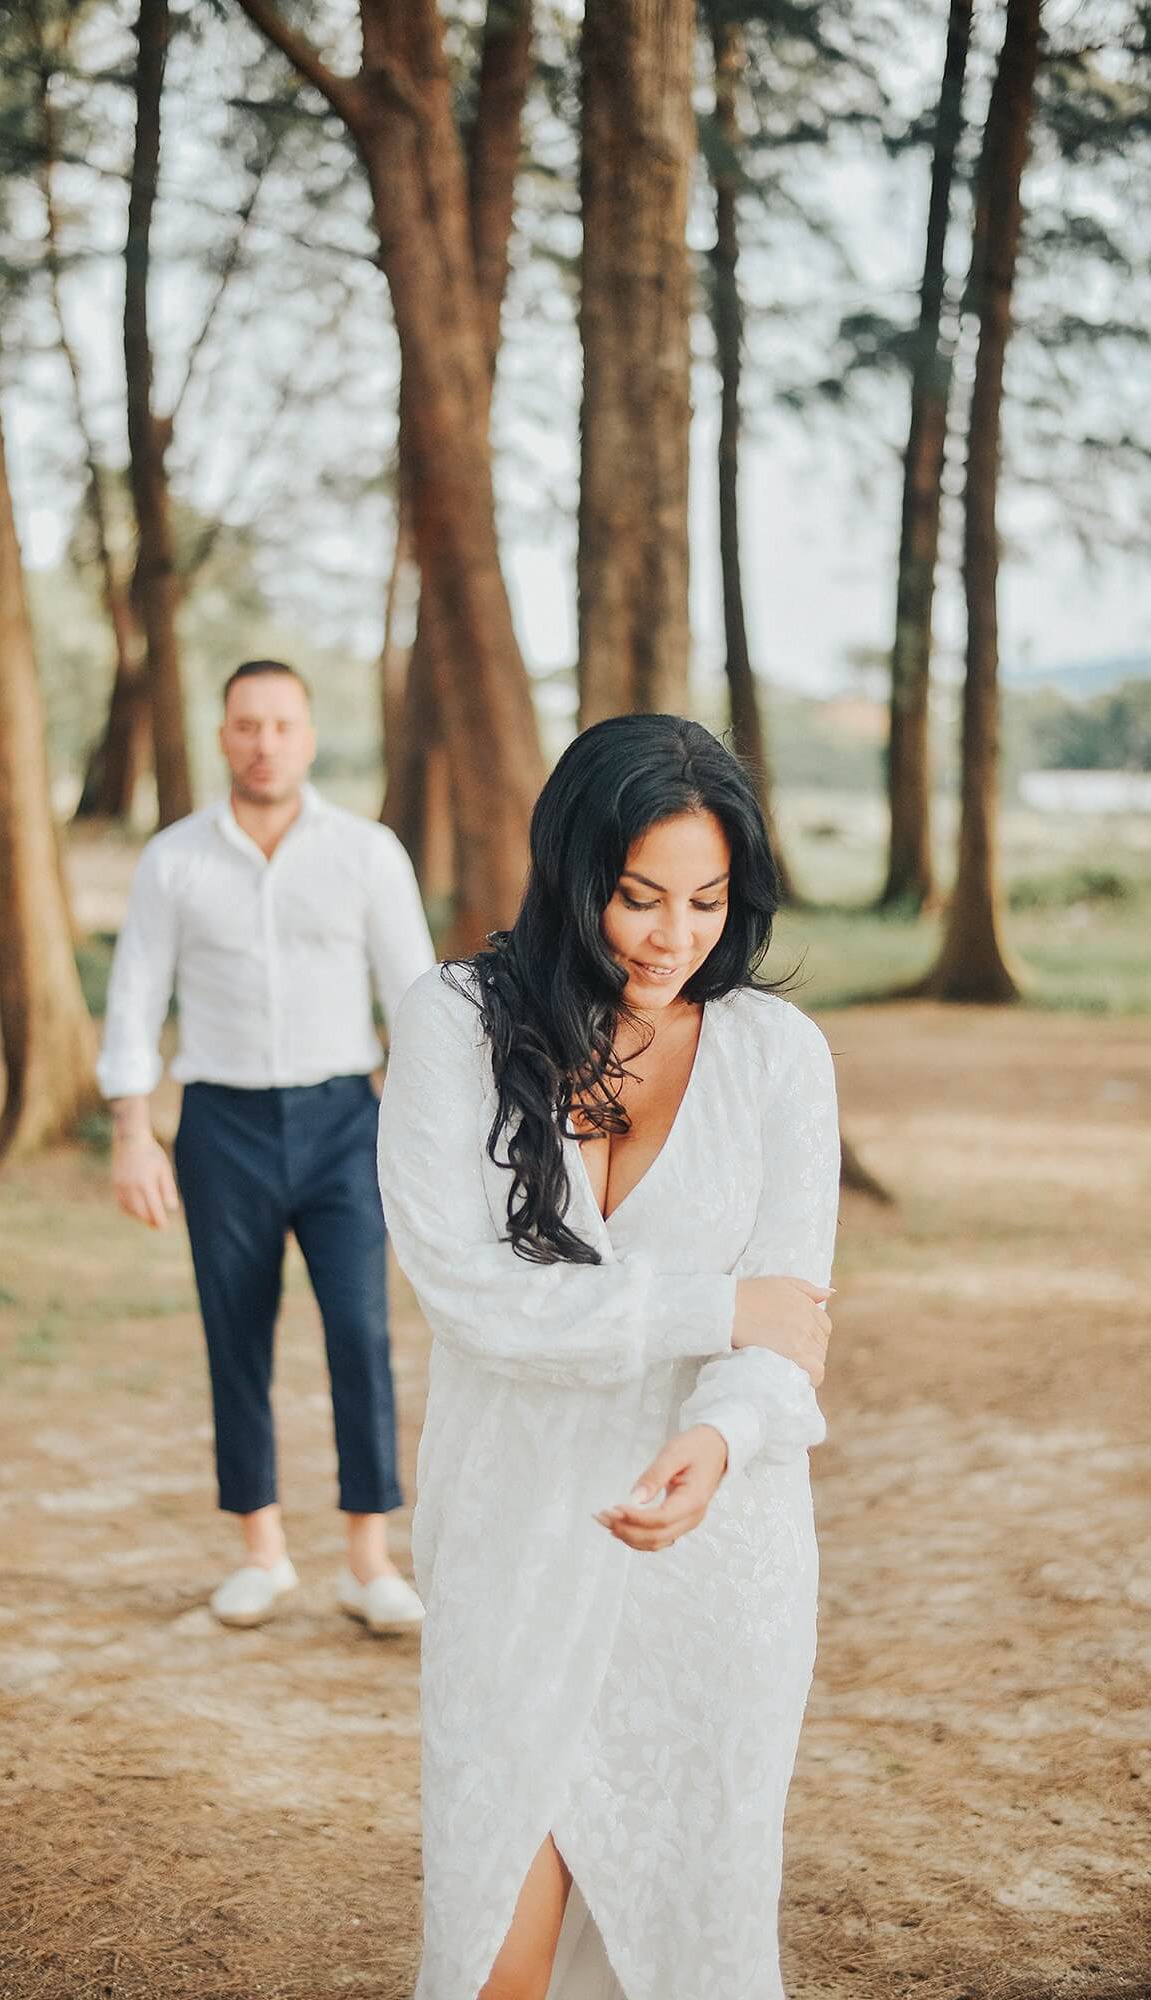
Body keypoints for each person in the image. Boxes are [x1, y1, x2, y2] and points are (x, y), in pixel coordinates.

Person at [377, 714, 841, 2000]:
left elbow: (785, 1330)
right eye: (637, 896)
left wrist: (719, 1436)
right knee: (492, 1950)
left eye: (706, 899)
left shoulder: (777, 1056)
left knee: (689, 1949)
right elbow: (476, 1295)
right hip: (514, 1534)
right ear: (572, 866)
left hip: (713, 1556)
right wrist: (718, 1306)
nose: (670, 935)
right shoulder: (452, 1023)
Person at [98, 658, 434, 1635]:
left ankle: (368, 1560)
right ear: (221, 736)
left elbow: (415, 998)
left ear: (308, 734)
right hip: (221, 1123)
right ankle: (261, 1551)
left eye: (281, 723)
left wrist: (416, 1128)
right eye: (246, 724)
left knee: (360, 1332)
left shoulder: (367, 853)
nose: (263, 742)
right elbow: (134, 996)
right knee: (234, 1333)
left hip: (342, 1121)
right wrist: (133, 1131)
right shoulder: (173, 859)